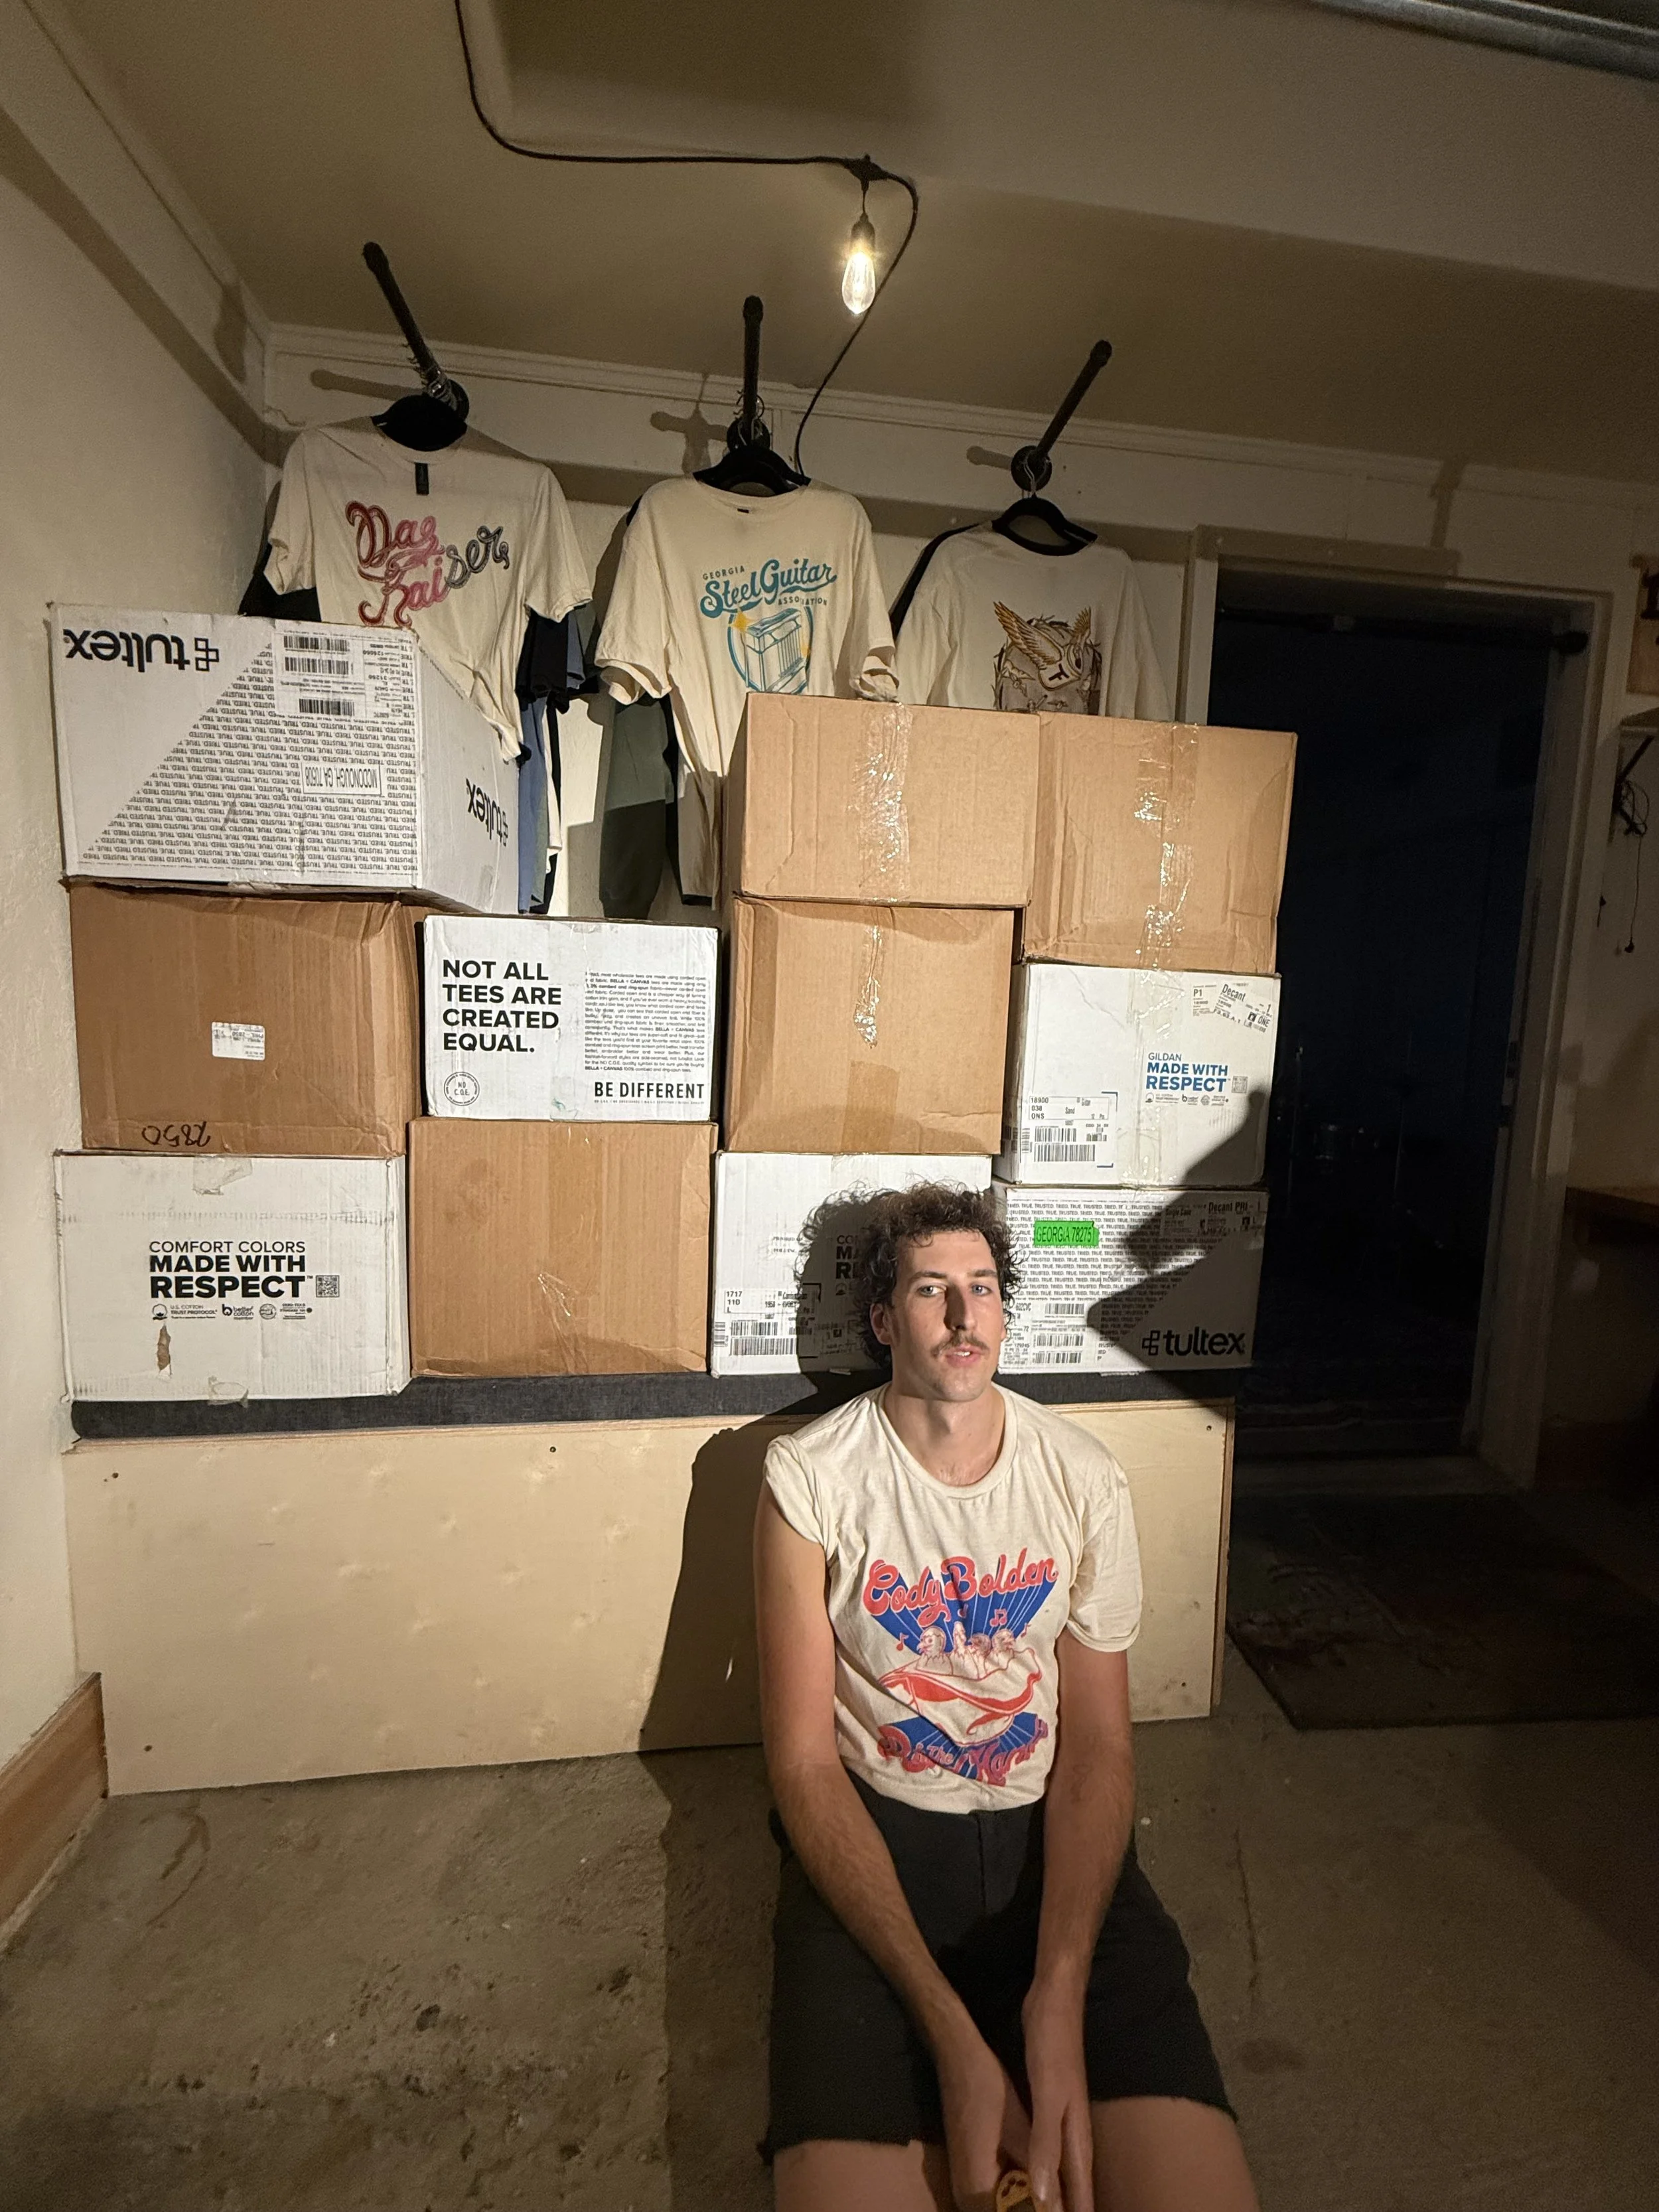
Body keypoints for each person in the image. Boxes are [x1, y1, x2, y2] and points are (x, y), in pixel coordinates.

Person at [755, 1183, 1258, 2212]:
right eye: (933, 1290)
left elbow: (1102, 1748)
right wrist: (952, 2037)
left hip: (1051, 1851)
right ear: (886, 1320)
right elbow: (804, 1765)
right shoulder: (810, 1477)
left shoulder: (1080, 1476)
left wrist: (1057, 1992)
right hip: (873, 1848)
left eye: (982, 1290)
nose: (961, 1316)